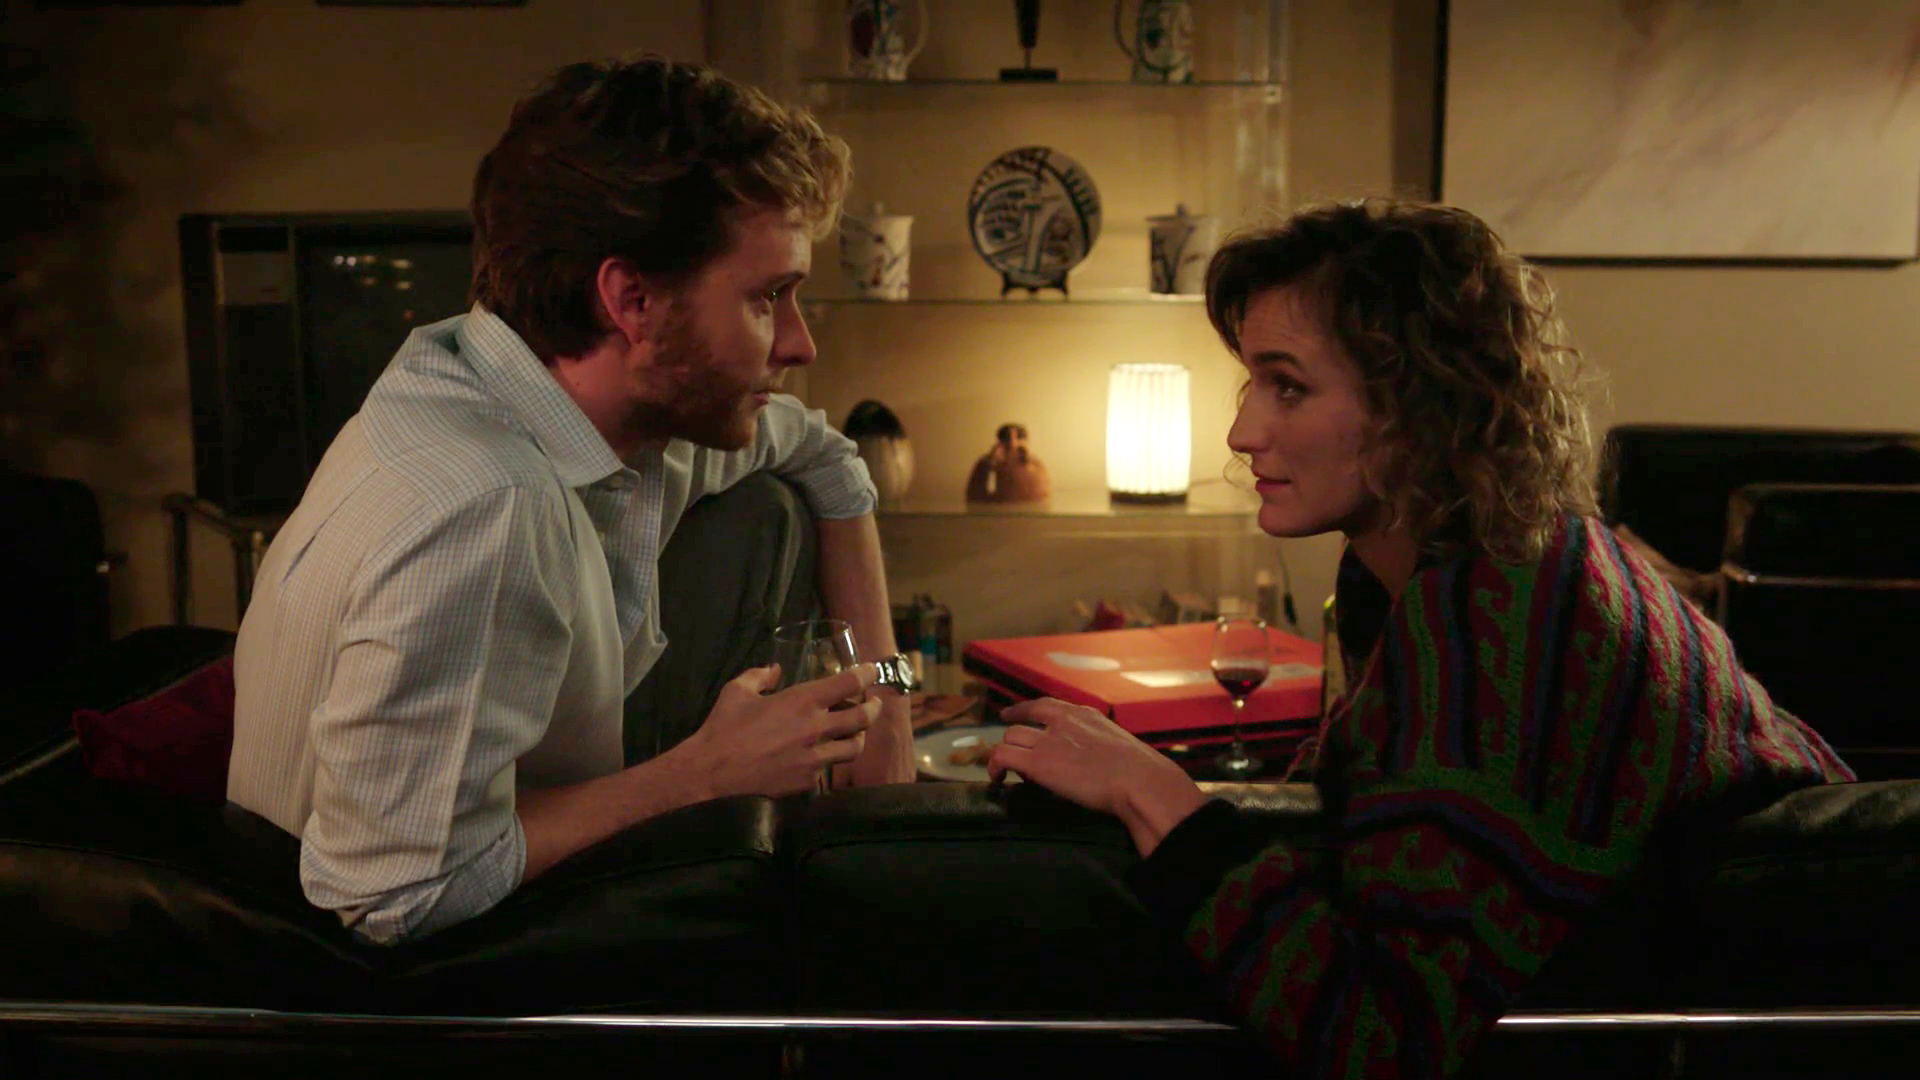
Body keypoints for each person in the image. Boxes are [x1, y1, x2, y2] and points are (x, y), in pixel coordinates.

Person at [986, 198, 1853, 1077]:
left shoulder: (1500, 622)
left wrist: (1152, 794)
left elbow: (1382, 1038)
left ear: (1420, 405)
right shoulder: (1469, 564)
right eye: (1251, 383)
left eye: (1289, 386)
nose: (1242, 433)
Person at [228, 55, 916, 947]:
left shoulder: (522, 387)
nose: (799, 344)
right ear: (632, 300)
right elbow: (395, 894)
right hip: (401, 994)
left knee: (770, 503)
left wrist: (887, 698)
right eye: (767, 298)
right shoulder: (487, 508)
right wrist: (705, 773)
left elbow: (822, 454)